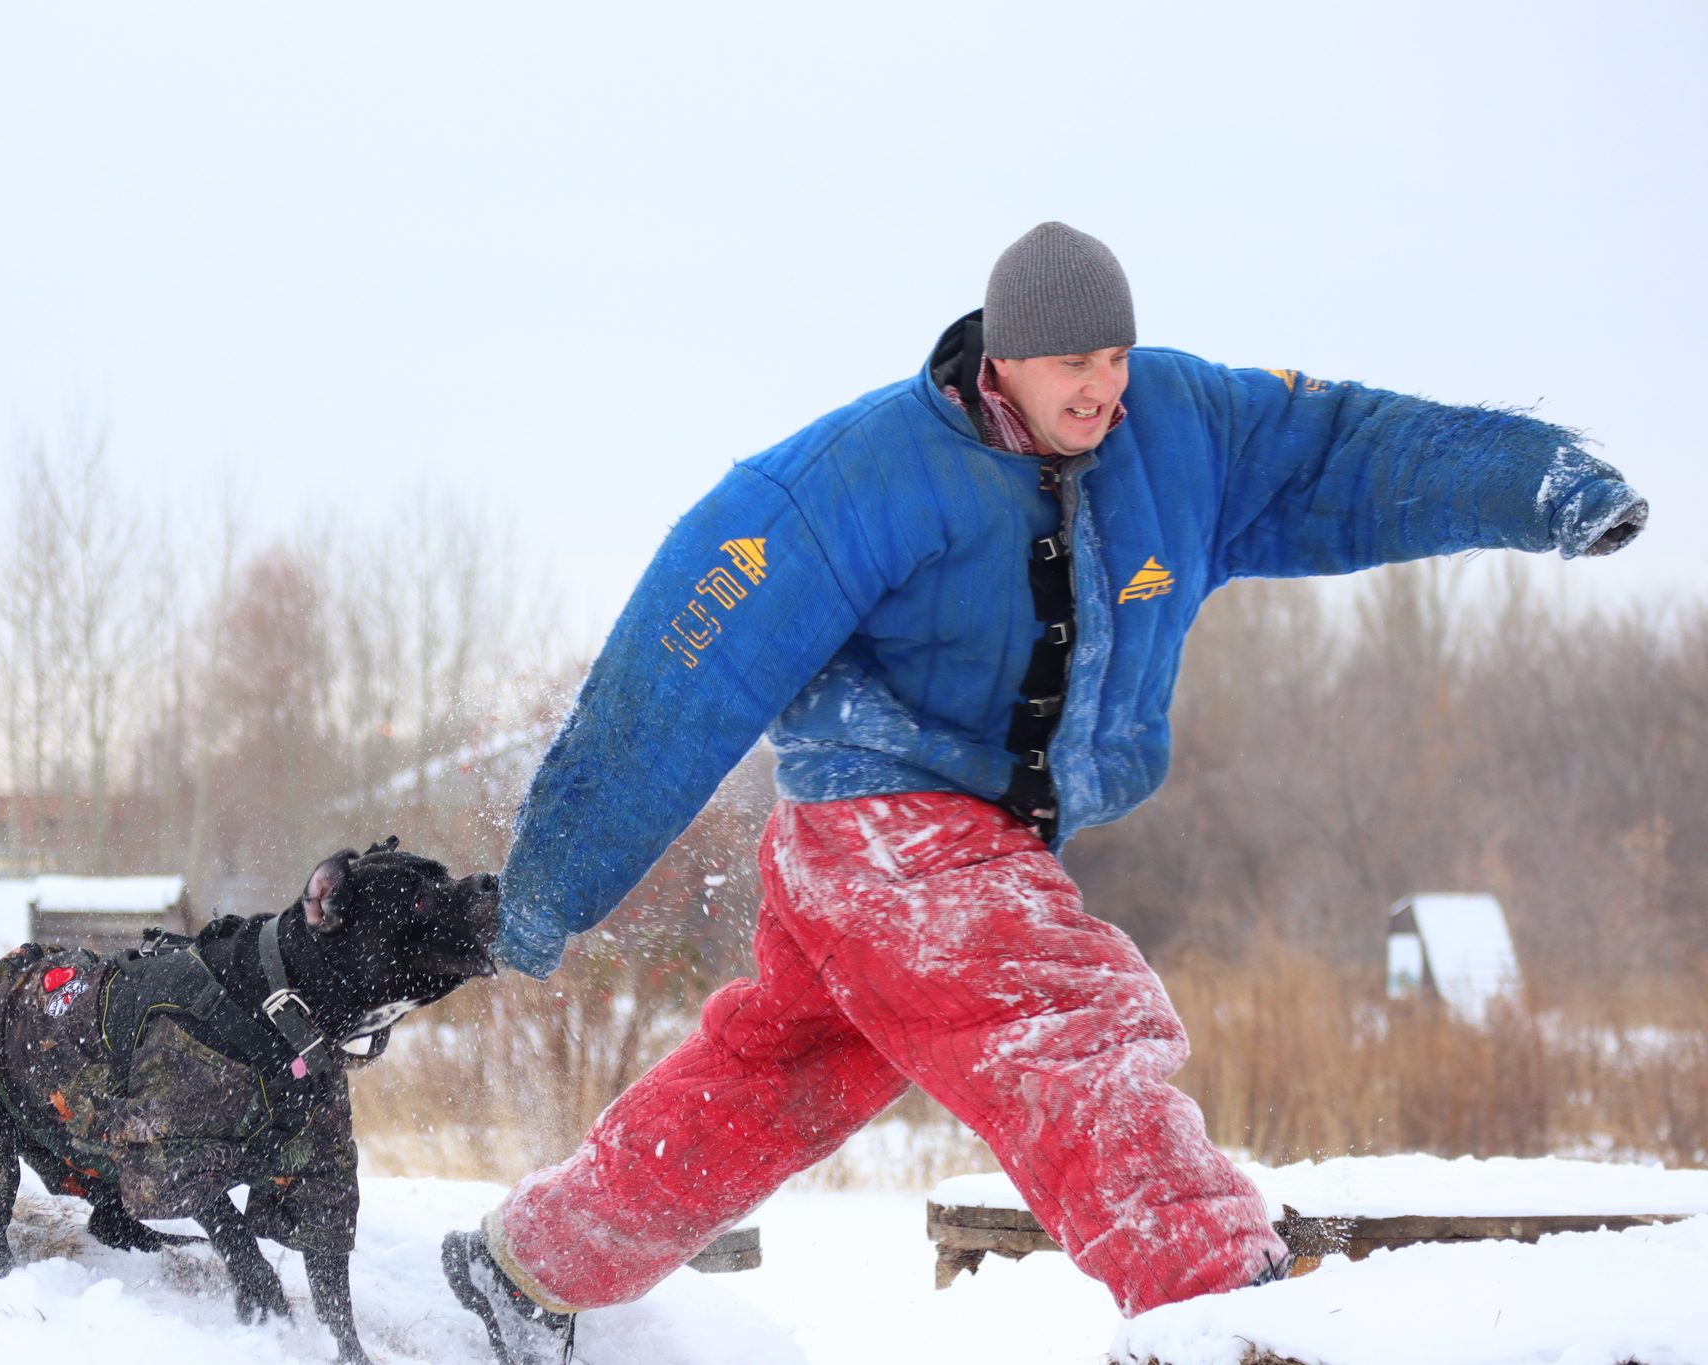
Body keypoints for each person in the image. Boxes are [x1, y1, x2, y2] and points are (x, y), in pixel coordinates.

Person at [439, 223, 1647, 1363]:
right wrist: (545, 894)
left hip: (978, 843)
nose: (1100, 389)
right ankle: (1221, 1305)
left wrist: (1540, 483)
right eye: (1073, 363)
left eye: (1115, 357)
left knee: (779, 1078)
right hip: (880, 827)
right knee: (1061, 1025)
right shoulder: (853, 479)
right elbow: (676, 672)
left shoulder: (1181, 428)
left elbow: (1344, 447)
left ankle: (530, 1265)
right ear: (1000, 354)